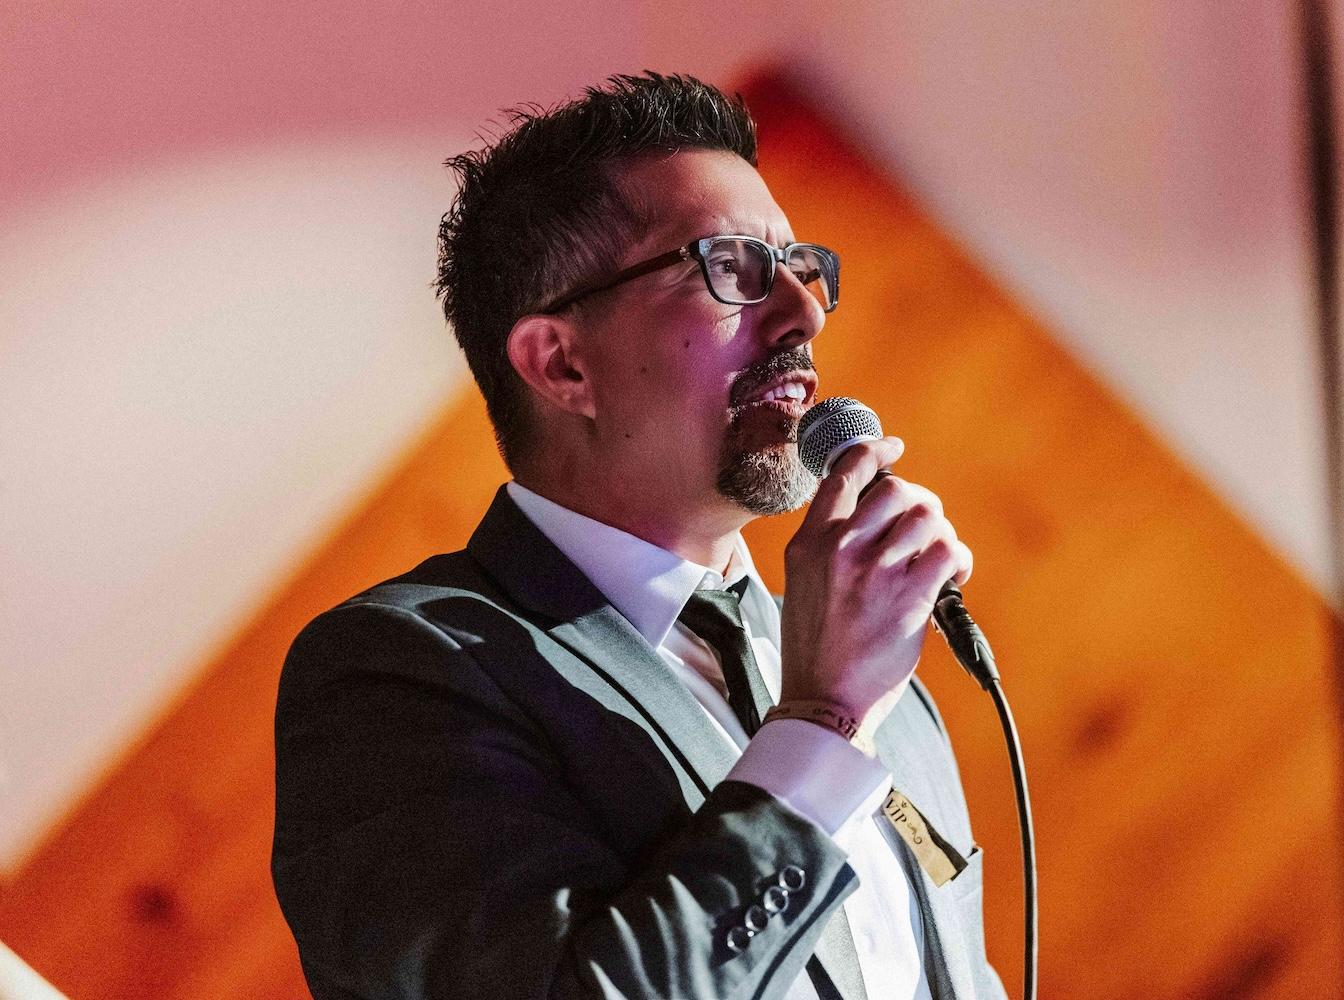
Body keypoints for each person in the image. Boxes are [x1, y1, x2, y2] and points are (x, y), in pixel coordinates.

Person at [271, 72, 1005, 1000]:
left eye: (800, 266)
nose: (805, 314)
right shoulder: (403, 673)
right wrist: (823, 723)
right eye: (733, 267)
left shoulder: (882, 678)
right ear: (562, 364)